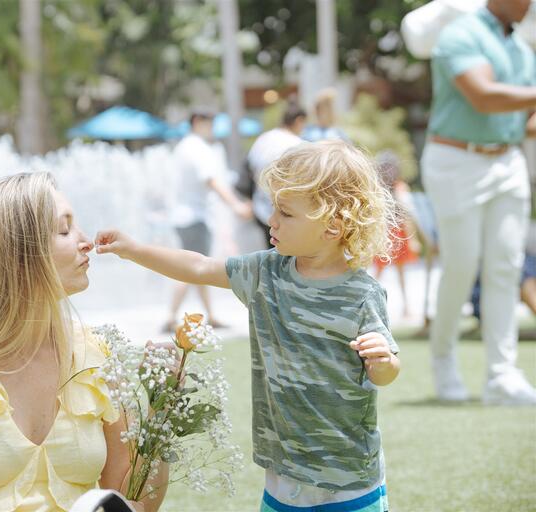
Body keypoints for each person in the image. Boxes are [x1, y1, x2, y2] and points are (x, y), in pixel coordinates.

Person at [96, 141, 400, 512]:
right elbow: (200, 266)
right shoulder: (263, 274)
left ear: (333, 225)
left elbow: (384, 373)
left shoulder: (362, 294)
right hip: (282, 479)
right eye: (273, 207)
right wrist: (134, 250)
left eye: (285, 213)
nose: (271, 220)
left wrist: (383, 362)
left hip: (349, 483)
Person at [0, 173, 167, 512]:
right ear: (18, 254)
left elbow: (133, 501)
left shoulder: (95, 354)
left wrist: (162, 410)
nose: (86, 242)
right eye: (64, 230)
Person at [420, 0, 536, 404]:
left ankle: (502, 376)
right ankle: (443, 361)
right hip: (456, 160)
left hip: (507, 160)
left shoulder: (521, 48)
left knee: (506, 267)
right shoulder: (460, 34)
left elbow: (526, 118)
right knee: (462, 265)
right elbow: (484, 97)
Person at [165, 110, 253, 331]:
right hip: (195, 218)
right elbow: (211, 180)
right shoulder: (197, 147)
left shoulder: (184, 146)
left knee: (197, 267)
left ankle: (210, 315)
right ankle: (170, 316)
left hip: (184, 217)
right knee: (191, 269)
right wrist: (235, 205)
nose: (212, 129)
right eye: (210, 124)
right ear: (197, 122)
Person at [246, 101, 307, 248]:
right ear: (299, 121)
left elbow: (249, 167)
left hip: (261, 207)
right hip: (286, 212)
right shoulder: (297, 145)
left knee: (270, 253)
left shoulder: (263, 138)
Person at [372, 151, 420, 320]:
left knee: (400, 272)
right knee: (378, 271)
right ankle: (368, 303)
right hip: (384, 232)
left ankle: (406, 307)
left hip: (398, 232)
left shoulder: (399, 188)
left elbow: (406, 215)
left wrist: (412, 239)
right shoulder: (377, 189)